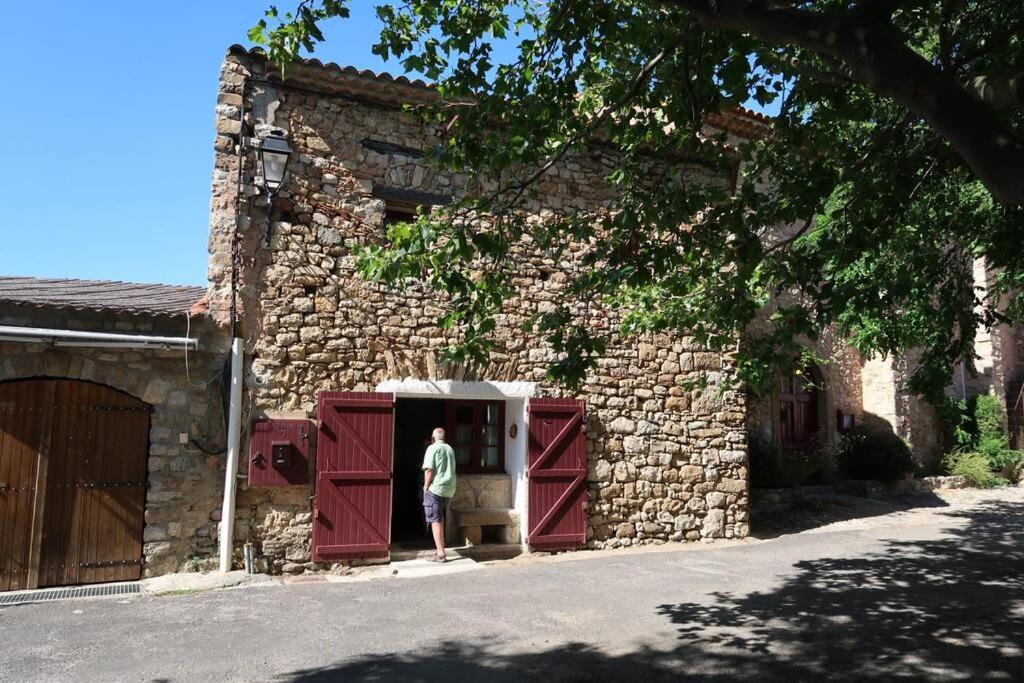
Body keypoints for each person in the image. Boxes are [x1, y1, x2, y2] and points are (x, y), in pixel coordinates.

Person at [422, 427, 457, 562]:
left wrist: (425, 487)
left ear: (433, 438)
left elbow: (429, 470)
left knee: (434, 519)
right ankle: (441, 548)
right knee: (439, 517)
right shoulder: (450, 449)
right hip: (449, 490)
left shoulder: (432, 448)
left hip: (436, 488)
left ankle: (441, 553)